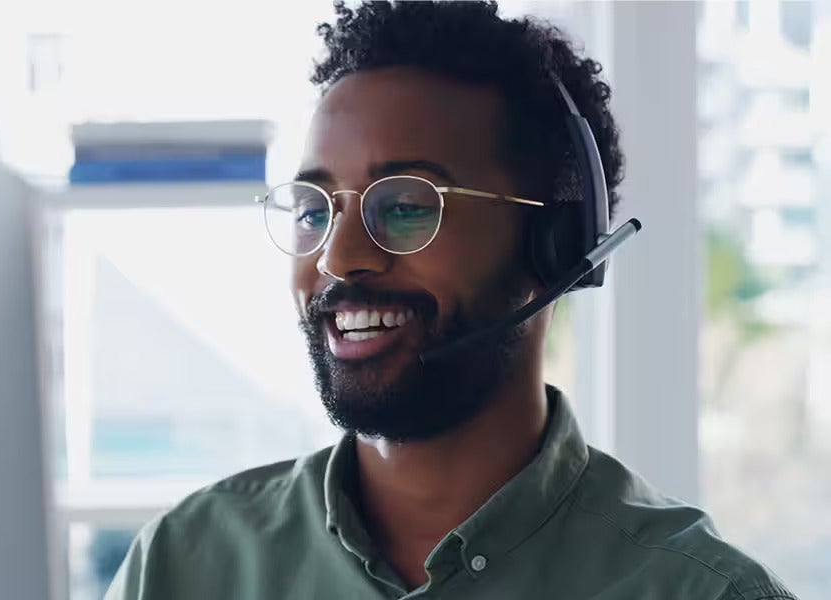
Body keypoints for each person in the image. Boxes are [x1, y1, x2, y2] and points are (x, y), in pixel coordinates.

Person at [106, 2, 796, 598]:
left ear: (550, 245)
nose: (338, 257)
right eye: (315, 211)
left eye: (405, 206)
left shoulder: (700, 592)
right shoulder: (183, 565)